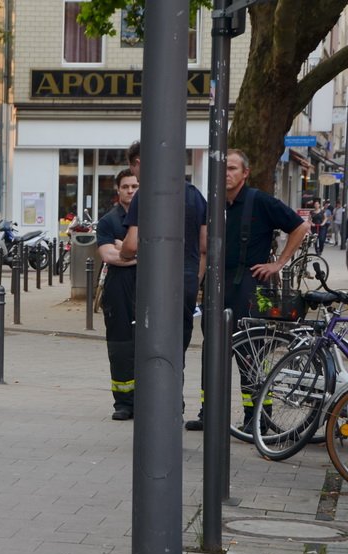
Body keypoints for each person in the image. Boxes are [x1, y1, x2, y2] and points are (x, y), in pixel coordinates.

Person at [184, 149, 307, 431]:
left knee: (253, 355)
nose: (226, 174)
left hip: (252, 288)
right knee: (212, 352)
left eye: (233, 169)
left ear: (245, 173)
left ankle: (259, 418)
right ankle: (209, 414)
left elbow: (300, 226)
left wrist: (278, 264)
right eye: (222, 169)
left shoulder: (260, 201)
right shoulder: (213, 204)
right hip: (218, 286)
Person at [119, 141, 208, 358]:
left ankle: (155, 391)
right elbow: (205, 246)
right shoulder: (195, 194)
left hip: (155, 285)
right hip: (186, 283)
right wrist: (194, 280)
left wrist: (123, 252)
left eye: (132, 168)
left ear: (138, 163)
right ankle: (174, 388)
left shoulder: (145, 194)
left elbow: (131, 244)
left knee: (153, 352)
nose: (134, 176)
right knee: (178, 351)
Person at [97, 169, 139, 420]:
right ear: (118, 190)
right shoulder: (108, 221)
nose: (131, 191)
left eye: (135, 186)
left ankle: (144, 400)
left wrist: (126, 251)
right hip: (118, 291)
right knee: (120, 348)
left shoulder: (151, 216)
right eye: (126, 187)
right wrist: (141, 256)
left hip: (145, 288)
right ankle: (123, 403)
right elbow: (108, 256)